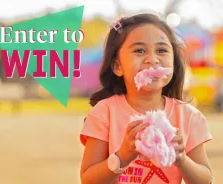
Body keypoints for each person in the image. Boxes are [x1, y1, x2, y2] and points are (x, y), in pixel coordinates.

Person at [79, 13, 213, 184]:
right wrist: (122, 157)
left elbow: (205, 180)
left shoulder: (188, 116)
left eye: (162, 50)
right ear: (117, 66)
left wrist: (181, 159)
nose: (152, 60)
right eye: (139, 51)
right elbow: (88, 180)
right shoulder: (104, 113)